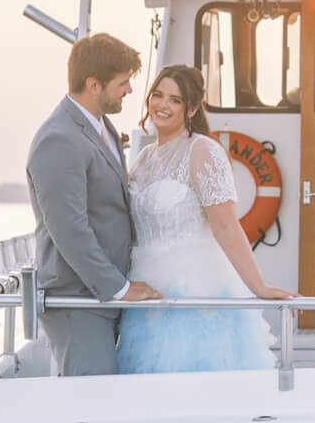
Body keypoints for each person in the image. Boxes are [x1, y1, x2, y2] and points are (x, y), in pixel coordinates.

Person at [117, 63, 294, 373]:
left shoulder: (203, 151)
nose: (162, 105)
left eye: (175, 100)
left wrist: (259, 286)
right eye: (157, 95)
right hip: (147, 298)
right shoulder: (143, 158)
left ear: (191, 109)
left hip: (194, 294)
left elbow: (225, 225)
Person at [26, 33, 163, 376]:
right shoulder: (59, 139)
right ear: (93, 84)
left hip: (104, 297)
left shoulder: (102, 127)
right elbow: (69, 230)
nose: (129, 90)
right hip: (79, 302)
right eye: (122, 83)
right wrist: (120, 288)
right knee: (92, 400)